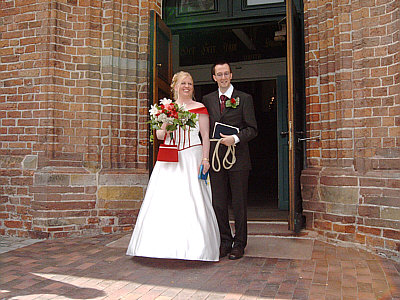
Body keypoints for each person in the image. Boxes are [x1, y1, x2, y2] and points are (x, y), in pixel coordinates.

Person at [126, 71, 220, 261]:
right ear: (175, 86)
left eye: (190, 84)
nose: (187, 86)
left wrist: (205, 159)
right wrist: (167, 122)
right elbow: (160, 136)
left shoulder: (200, 108)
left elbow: (205, 136)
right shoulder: (167, 108)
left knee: (192, 199)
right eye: (183, 83)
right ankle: (161, 247)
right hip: (169, 159)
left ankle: (196, 248)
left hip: (192, 156)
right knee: (166, 199)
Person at [201, 62, 257, 260]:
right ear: (214, 77)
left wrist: (235, 139)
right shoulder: (207, 100)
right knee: (219, 202)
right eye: (219, 74)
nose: (223, 77)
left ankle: (239, 243)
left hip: (238, 158)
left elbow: (252, 129)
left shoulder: (244, 98)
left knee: (239, 203)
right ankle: (225, 241)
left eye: (226, 73)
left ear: (231, 75)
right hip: (216, 159)